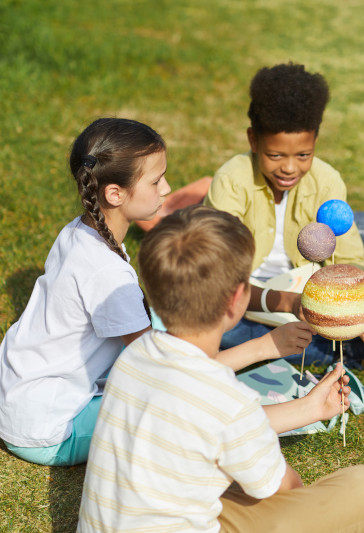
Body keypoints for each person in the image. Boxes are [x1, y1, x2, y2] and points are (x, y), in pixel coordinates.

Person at [0, 118, 310, 467]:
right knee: (181, 405)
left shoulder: (77, 232)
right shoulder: (108, 275)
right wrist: (266, 346)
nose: (166, 189)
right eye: (156, 180)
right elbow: (170, 377)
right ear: (115, 194)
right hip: (51, 430)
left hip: (19, 400)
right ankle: (297, 408)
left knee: (170, 319)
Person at [77, 205, 364, 532]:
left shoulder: (137, 354)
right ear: (237, 299)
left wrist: (307, 407)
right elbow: (285, 488)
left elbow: (205, 412)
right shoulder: (228, 402)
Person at [205, 62, 364, 367]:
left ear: (315, 141)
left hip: (308, 297)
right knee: (218, 324)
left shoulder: (326, 180)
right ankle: (344, 353)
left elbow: (351, 260)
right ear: (253, 140)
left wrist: (342, 300)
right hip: (245, 298)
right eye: (275, 155)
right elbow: (217, 278)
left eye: (303, 155)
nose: (289, 168)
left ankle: (288, 344)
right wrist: (285, 302)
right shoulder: (231, 180)